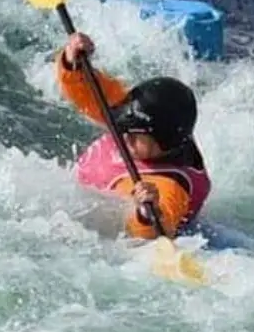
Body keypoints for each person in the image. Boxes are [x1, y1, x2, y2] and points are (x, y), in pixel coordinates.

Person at [56, 31, 211, 240]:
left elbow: (154, 233)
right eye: (125, 127)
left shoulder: (169, 185)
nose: (125, 134)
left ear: (162, 141)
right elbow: (94, 95)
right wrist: (73, 63)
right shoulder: (136, 121)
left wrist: (147, 212)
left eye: (135, 132)